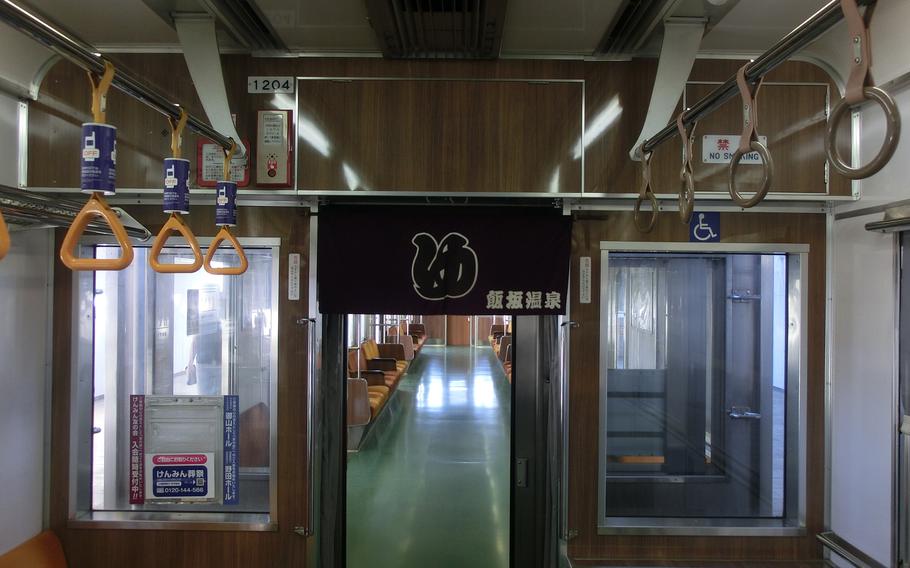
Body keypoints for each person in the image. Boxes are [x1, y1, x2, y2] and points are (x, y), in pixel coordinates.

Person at [186, 286, 223, 396]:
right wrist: (190, 363)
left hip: (217, 363)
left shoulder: (220, 318)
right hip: (205, 363)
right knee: (205, 394)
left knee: (217, 394)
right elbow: (194, 342)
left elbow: (194, 342)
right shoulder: (198, 318)